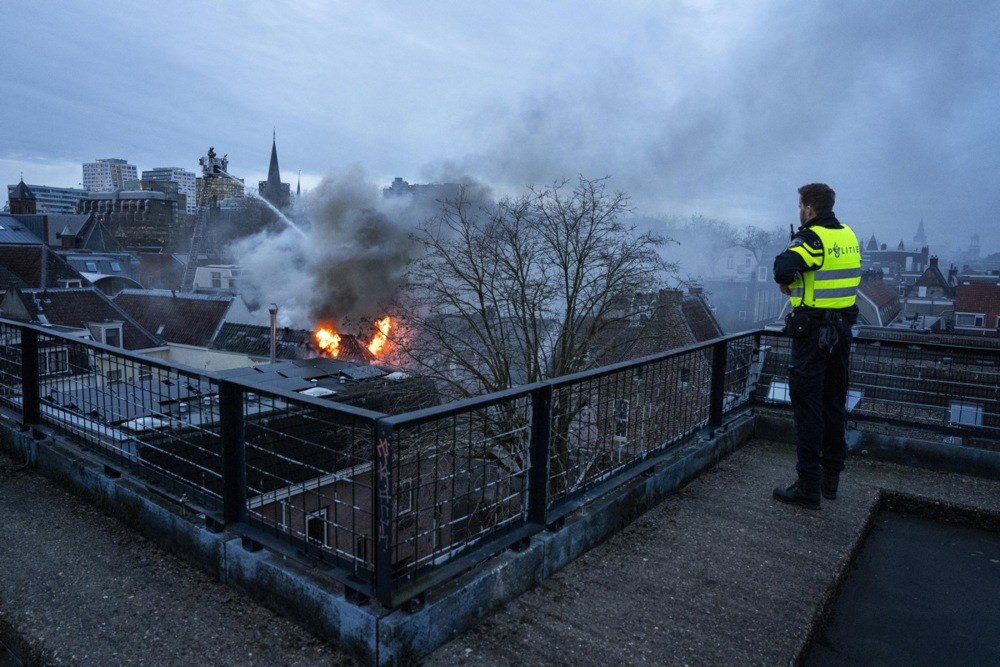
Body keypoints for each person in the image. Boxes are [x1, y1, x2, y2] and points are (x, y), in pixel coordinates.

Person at [772, 183, 861, 509]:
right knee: (834, 404)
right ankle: (830, 479)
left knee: (807, 409)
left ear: (809, 208)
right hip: (842, 333)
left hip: (813, 335)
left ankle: (807, 485)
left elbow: (783, 266)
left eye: (800, 205)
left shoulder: (812, 238)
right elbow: (831, 275)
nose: (799, 210)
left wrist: (789, 278)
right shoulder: (848, 236)